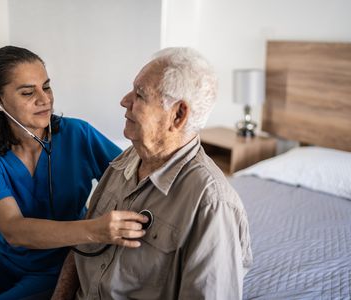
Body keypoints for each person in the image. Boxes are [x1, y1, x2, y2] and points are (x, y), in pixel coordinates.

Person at [52, 47, 253, 300]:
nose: (124, 101)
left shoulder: (211, 204)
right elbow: (82, 245)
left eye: (140, 94)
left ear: (178, 115)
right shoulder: (126, 159)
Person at [0, 46, 148, 300]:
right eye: (27, 92)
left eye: (46, 87)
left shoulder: (78, 134)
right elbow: (14, 230)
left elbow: (133, 175)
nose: (44, 100)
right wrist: (96, 229)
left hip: (55, 265)